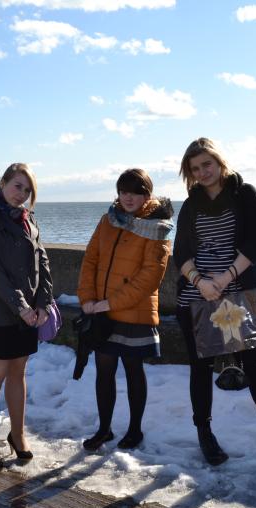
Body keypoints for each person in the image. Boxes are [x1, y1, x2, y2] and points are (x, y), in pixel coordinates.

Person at [172, 137, 256, 465]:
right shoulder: (191, 204)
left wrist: (223, 280)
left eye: (206, 164)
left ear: (220, 162)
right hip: (197, 295)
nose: (202, 172)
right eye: (195, 169)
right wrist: (200, 282)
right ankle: (205, 434)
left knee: (253, 364)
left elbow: (255, 243)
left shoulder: (244, 194)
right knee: (201, 368)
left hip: (236, 293)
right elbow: (180, 253)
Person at [77, 168, 173, 451]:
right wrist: (87, 298)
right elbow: (90, 260)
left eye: (136, 192)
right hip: (102, 311)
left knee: (133, 370)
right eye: (123, 191)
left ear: (147, 194)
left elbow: (151, 276)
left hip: (134, 312)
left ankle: (134, 430)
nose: (129, 197)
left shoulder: (157, 226)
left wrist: (109, 303)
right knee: (104, 371)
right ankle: (104, 429)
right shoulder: (108, 220)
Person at [0, 163, 53, 472]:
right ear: (2, 182)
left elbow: (43, 262)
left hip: (27, 313)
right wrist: (21, 306)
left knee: (19, 371)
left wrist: (43, 303)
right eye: (17, 186)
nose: (22, 194)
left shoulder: (29, 220)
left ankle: (17, 436)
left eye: (27, 190)